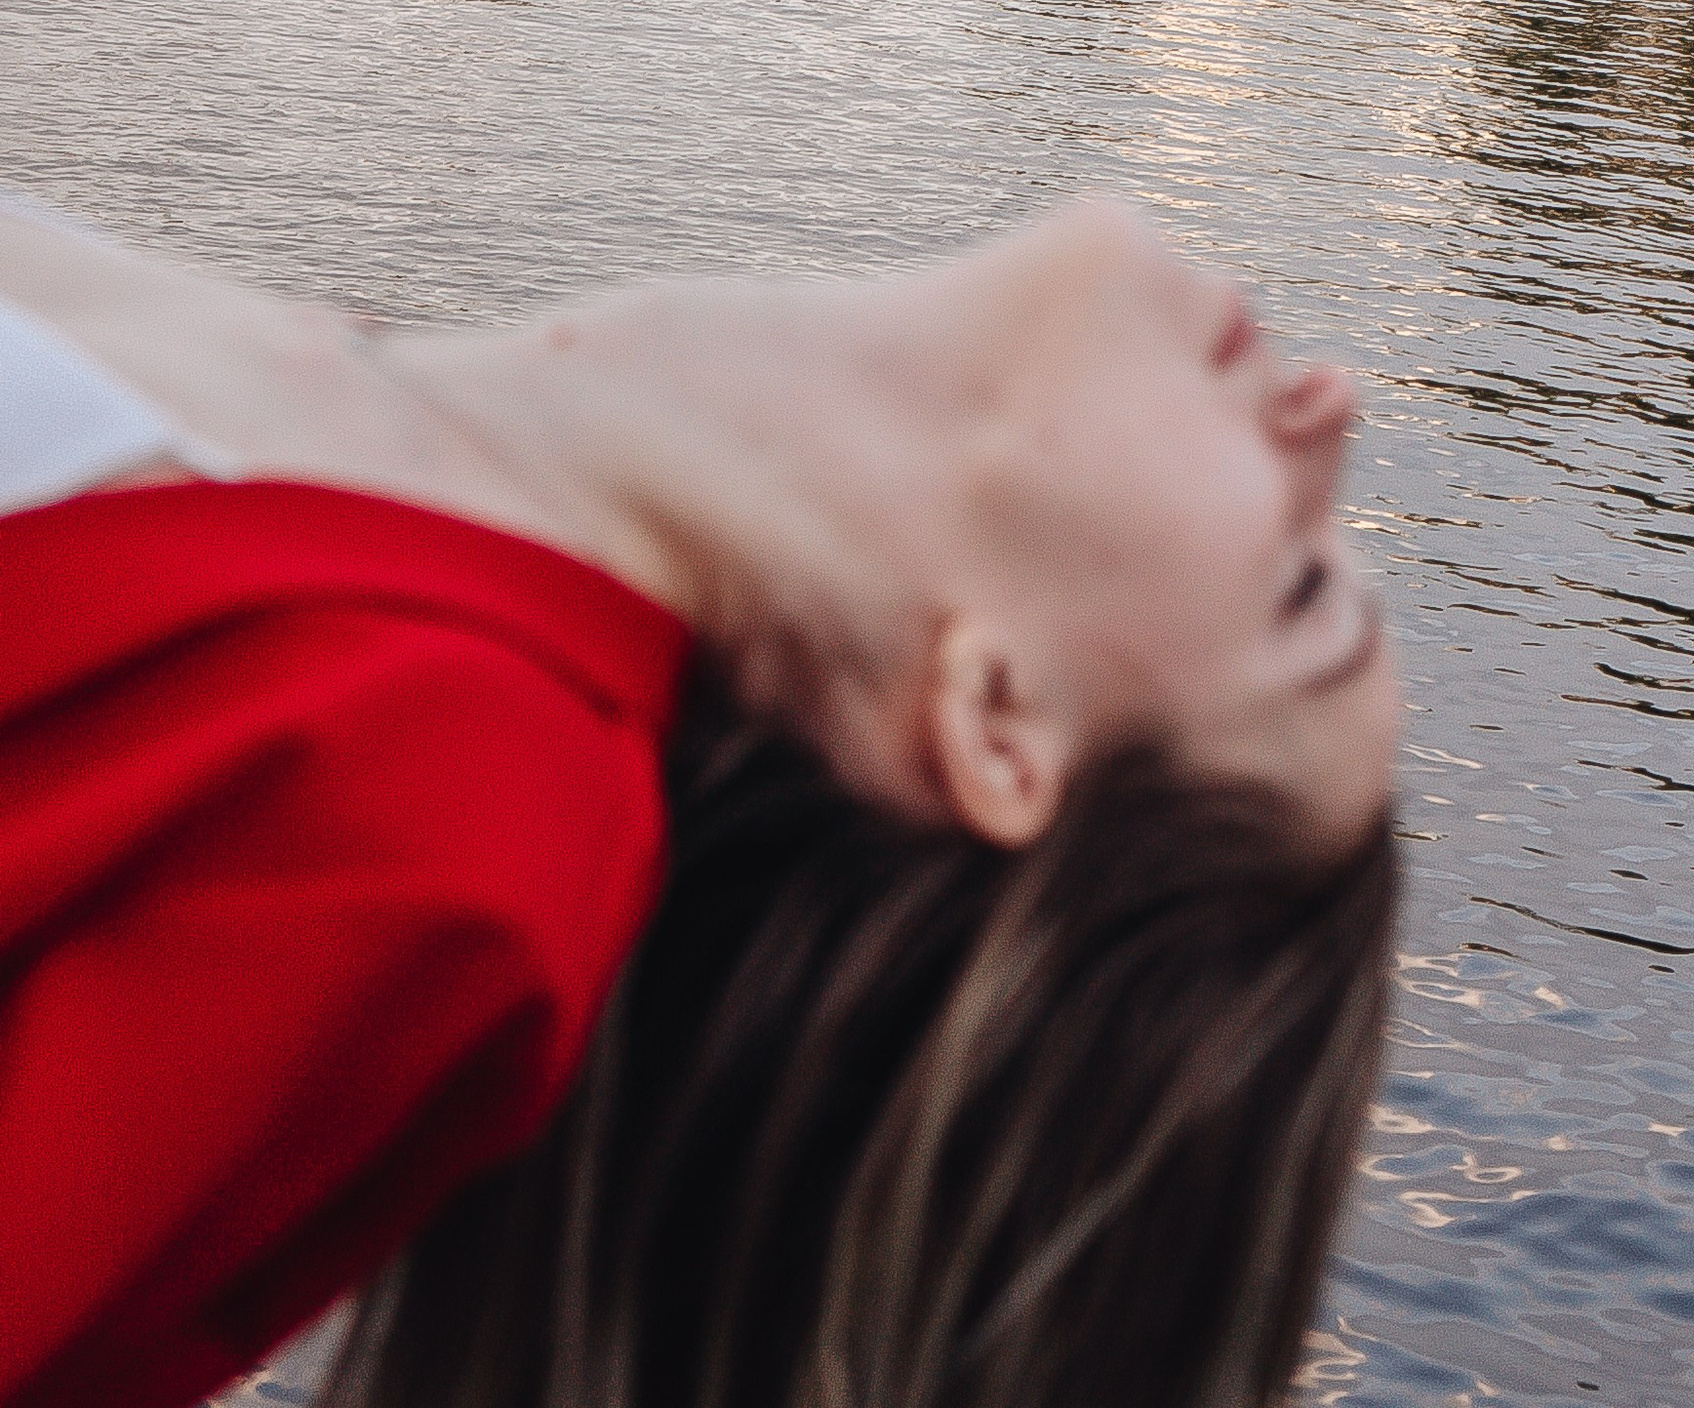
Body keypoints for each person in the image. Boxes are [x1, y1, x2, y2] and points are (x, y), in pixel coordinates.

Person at [0, 196, 1399, 1408]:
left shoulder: (450, 819)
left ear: (1000, 724)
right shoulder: (345, 459)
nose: (1331, 411)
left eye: (1301, 587)